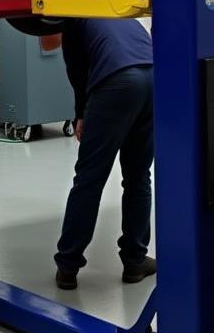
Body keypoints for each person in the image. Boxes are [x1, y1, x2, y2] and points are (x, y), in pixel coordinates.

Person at [54, 18, 156, 290]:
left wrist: (80, 114)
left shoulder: (74, 17)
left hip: (117, 81)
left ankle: (68, 265)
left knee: (89, 178)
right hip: (153, 77)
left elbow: (77, 71)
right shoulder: (121, 10)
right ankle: (135, 261)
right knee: (138, 176)